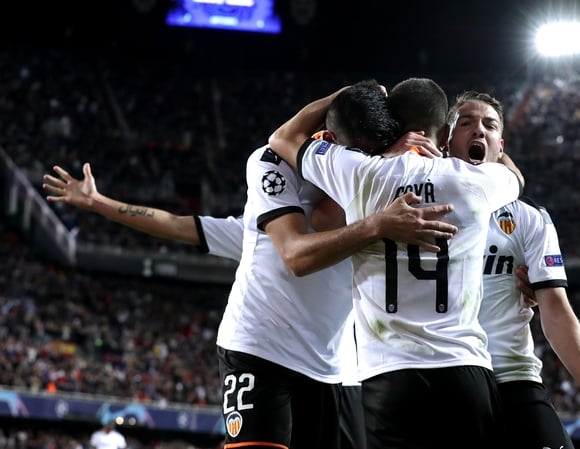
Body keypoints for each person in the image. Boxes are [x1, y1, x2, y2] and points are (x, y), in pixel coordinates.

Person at [43, 84, 457, 449]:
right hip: (261, 351)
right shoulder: (273, 165)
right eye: (358, 156)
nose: (360, 168)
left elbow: (184, 225)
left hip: (337, 368)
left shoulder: (375, 178)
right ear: (328, 141)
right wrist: (347, 94)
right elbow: (298, 253)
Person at [268, 78, 522, 449]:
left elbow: (283, 138)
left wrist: (346, 93)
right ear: (448, 131)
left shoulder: (361, 172)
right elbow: (514, 175)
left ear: (390, 124)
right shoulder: (479, 182)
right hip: (465, 369)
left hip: (390, 375)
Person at [445, 90, 580, 448]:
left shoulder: (527, 218)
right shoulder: (419, 205)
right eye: (465, 123)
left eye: (490, 125)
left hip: (514, 375)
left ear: (501, 146)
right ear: (446, 138)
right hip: (446, 373)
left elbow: (555, 306)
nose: (478, 131)